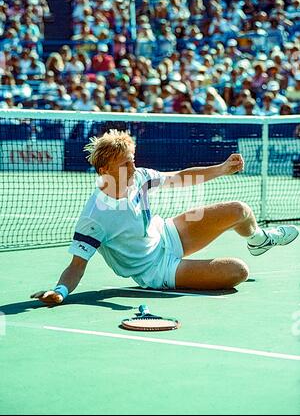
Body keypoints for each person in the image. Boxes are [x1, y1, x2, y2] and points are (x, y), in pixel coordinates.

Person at [31, 130, 299, 305]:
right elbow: (77, 265)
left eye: (133, 159)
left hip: (167, 233)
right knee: (238, 271)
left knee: (239, 210)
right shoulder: (95, 217)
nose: (133, 167)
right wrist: (60, 291)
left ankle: (259, 239)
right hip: (156, 270)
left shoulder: (140, 178)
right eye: (126, 163)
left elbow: (181, 177)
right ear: (105, 169)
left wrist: (221, 169)